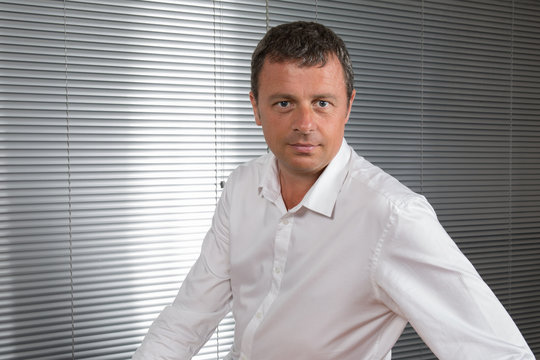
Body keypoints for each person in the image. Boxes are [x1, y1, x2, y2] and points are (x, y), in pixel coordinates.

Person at [133, 21, 534, 360]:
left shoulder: (393, 215)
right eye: (284, 103)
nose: (305, 123)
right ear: (256, 108)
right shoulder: (241, 187)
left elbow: (499, 351)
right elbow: (187, 318)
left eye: (322, 102)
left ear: (348, 106)